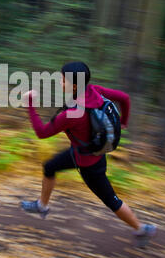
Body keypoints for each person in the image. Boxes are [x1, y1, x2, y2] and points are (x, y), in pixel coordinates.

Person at [21, 62, 157, 248]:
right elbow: (124, 98)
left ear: (74, 85)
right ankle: (42, 206)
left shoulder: (71, 114)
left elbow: (42, 133)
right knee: (50, 166)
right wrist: (123, 122)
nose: (60, 83)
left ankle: (141, 229)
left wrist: (29, 103)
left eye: (62, 80)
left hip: (89, 164)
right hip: (88, 151)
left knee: (111, 200)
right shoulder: (94, 90)